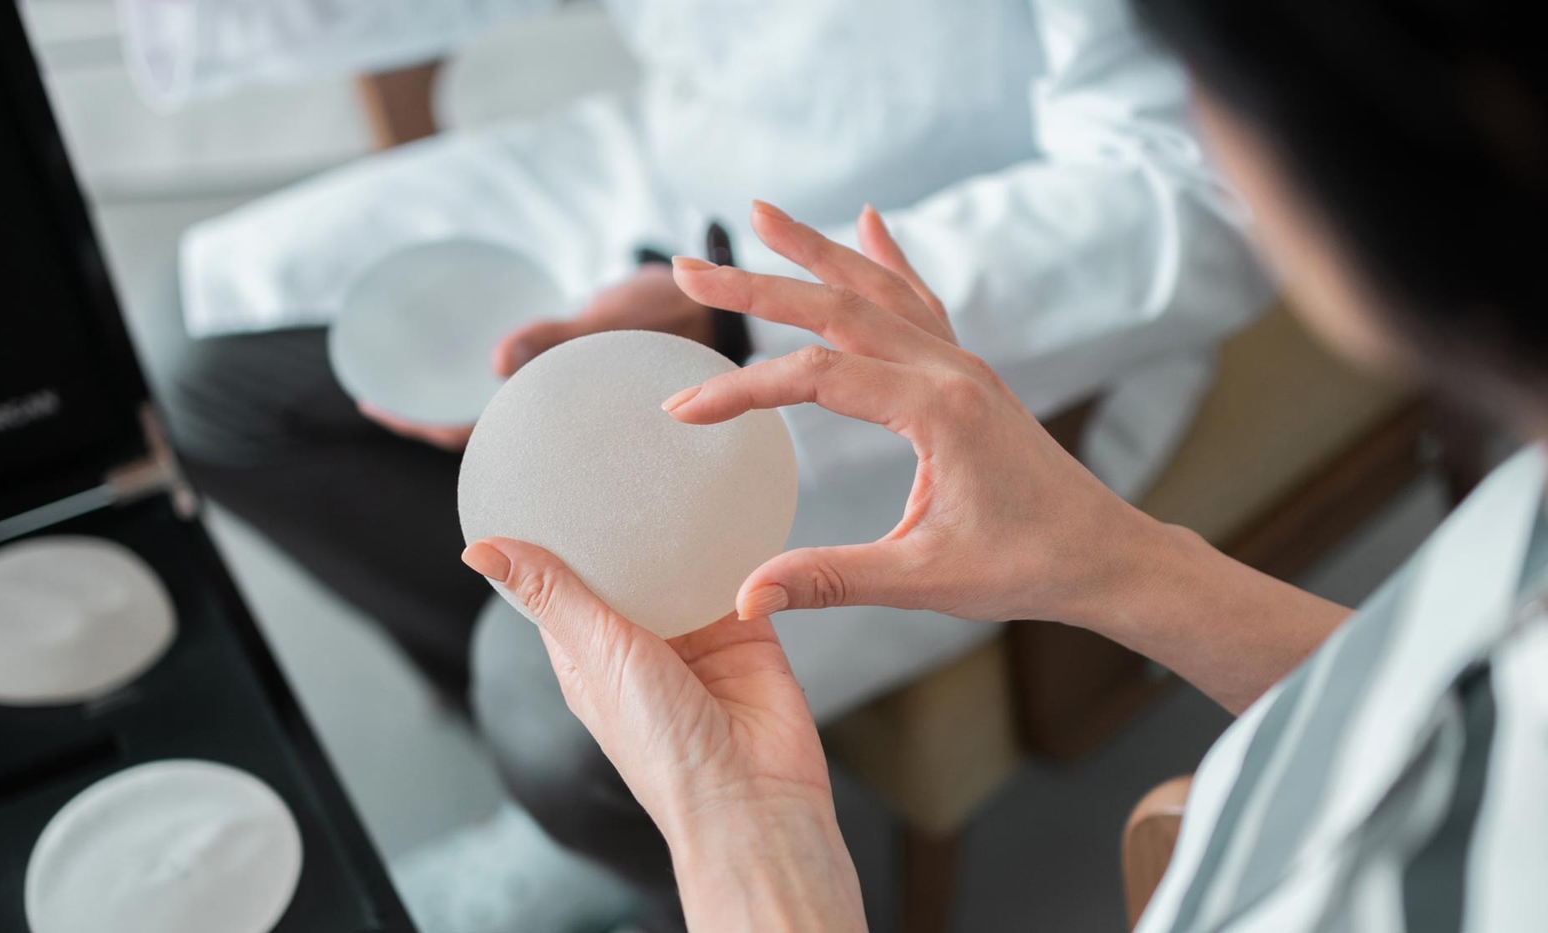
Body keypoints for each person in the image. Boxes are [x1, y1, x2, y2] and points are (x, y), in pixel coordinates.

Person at [128, 0, 1267, 924]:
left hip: (984, 309)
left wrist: (741, 324)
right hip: (680, 164)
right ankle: (503, 681)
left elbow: (1184, 190)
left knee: (554, 702)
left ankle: (598, 832)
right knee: (202, 376)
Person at [457, 0, 1548, 928]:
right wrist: (1118, 564)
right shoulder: (1512, 543)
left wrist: (743, 844)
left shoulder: (1366, 884)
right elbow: (1450, 707)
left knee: (538, 695)